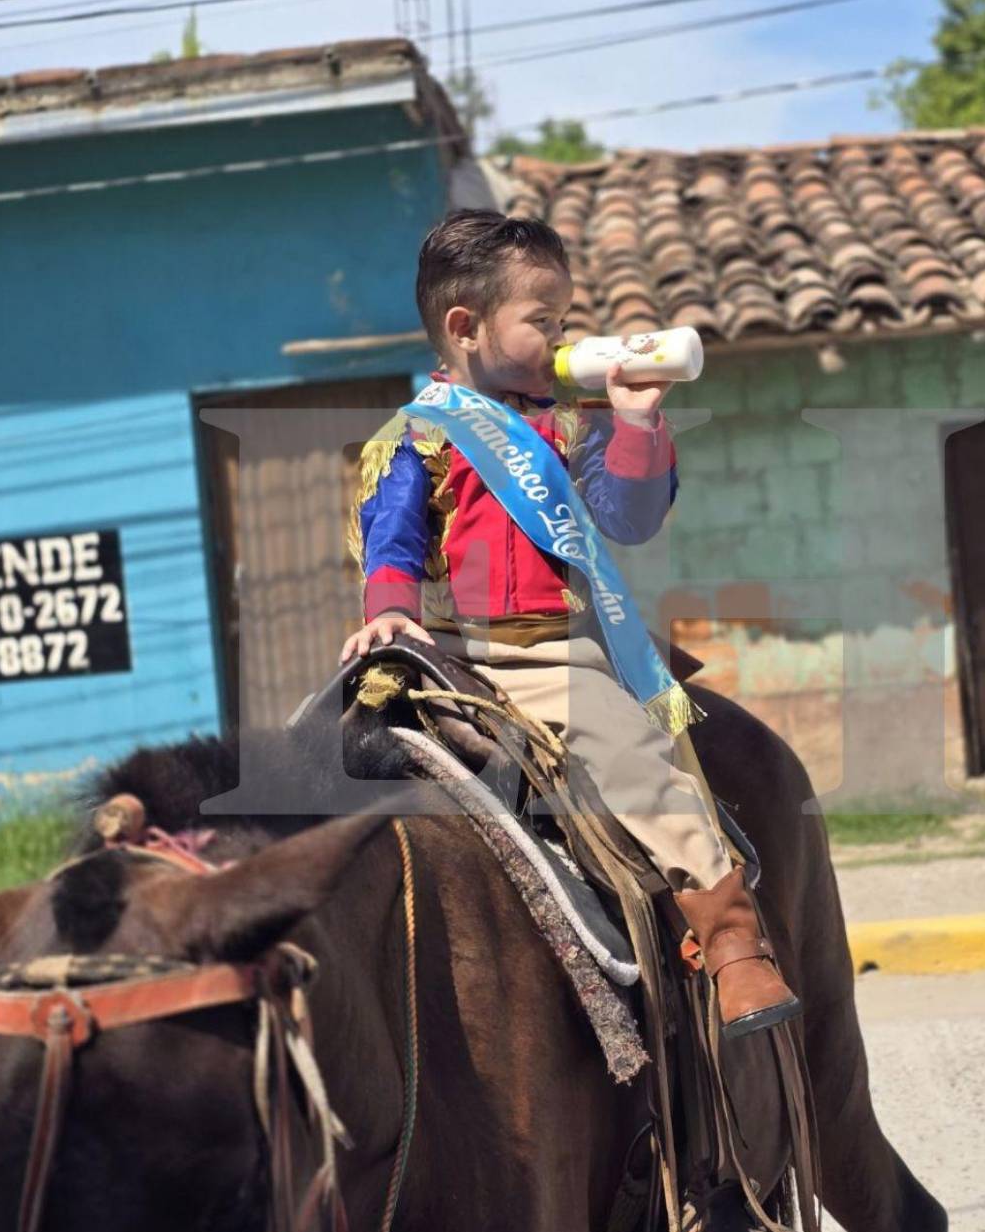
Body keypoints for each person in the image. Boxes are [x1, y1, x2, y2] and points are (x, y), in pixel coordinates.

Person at [339, 209, 799, 1041]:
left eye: (564, 318)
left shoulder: (568, 425)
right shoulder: (418, 435)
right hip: (459, 649)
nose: (560, 337)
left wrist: (637, 423)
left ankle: (732, 940)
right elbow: (393, 536)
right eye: (542, 321)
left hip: (560, 651)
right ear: (465, 328)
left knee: (633, 757)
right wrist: (391, 610)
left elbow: (629, 517)